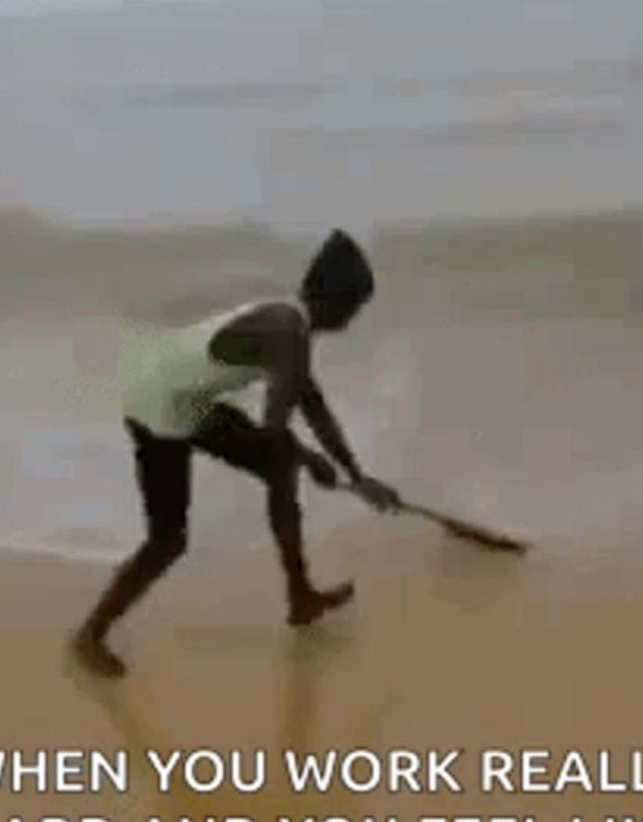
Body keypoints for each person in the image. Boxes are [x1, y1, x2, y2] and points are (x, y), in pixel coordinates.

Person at [72, 229, 400, 677]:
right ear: (340, 301)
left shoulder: (292, 327)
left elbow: (315, 408)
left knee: (280, 466)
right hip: (158, 407)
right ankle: (90, 634)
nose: (357, 316)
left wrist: (356, 475)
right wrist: (311, 459)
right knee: (168, 540)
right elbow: (273, 427)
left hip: (189, 398)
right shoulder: (287, 332)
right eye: (358, 305)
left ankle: (300, 597)